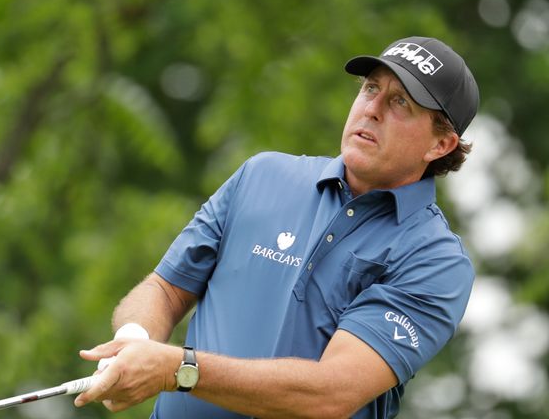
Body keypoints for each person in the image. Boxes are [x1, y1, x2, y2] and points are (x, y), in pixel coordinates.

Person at [74, 36, 479, 418]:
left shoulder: (435, 260)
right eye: (371, 88)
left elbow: (331, 393)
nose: (372, 109)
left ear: (440, 144)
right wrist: (134, 340)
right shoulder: (262, 175)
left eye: (400, 103)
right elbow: (164, 289)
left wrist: (179, 368)